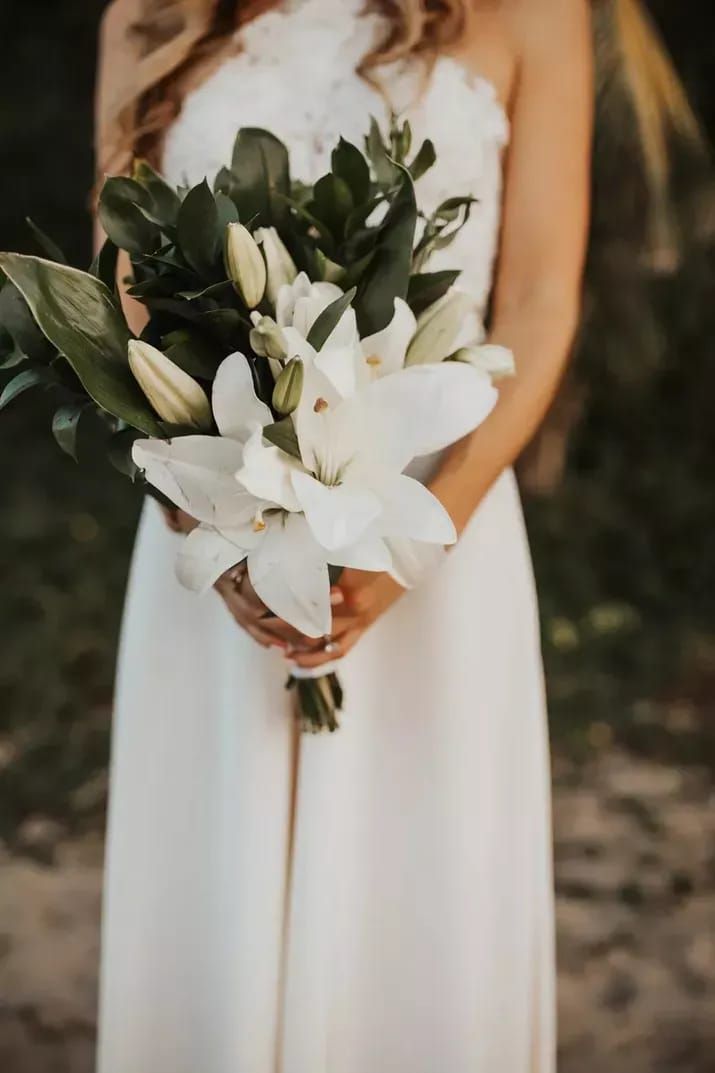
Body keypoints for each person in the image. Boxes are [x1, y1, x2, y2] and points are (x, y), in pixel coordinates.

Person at [92, 2, 692, 1070]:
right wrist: (209, 514)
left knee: (414, 904)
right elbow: (118, 303)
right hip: (211, 529)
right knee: (213, 895)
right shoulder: (151, 16)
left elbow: (541, 303)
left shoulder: (536, 15)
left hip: (432, 531)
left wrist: (420, 537)